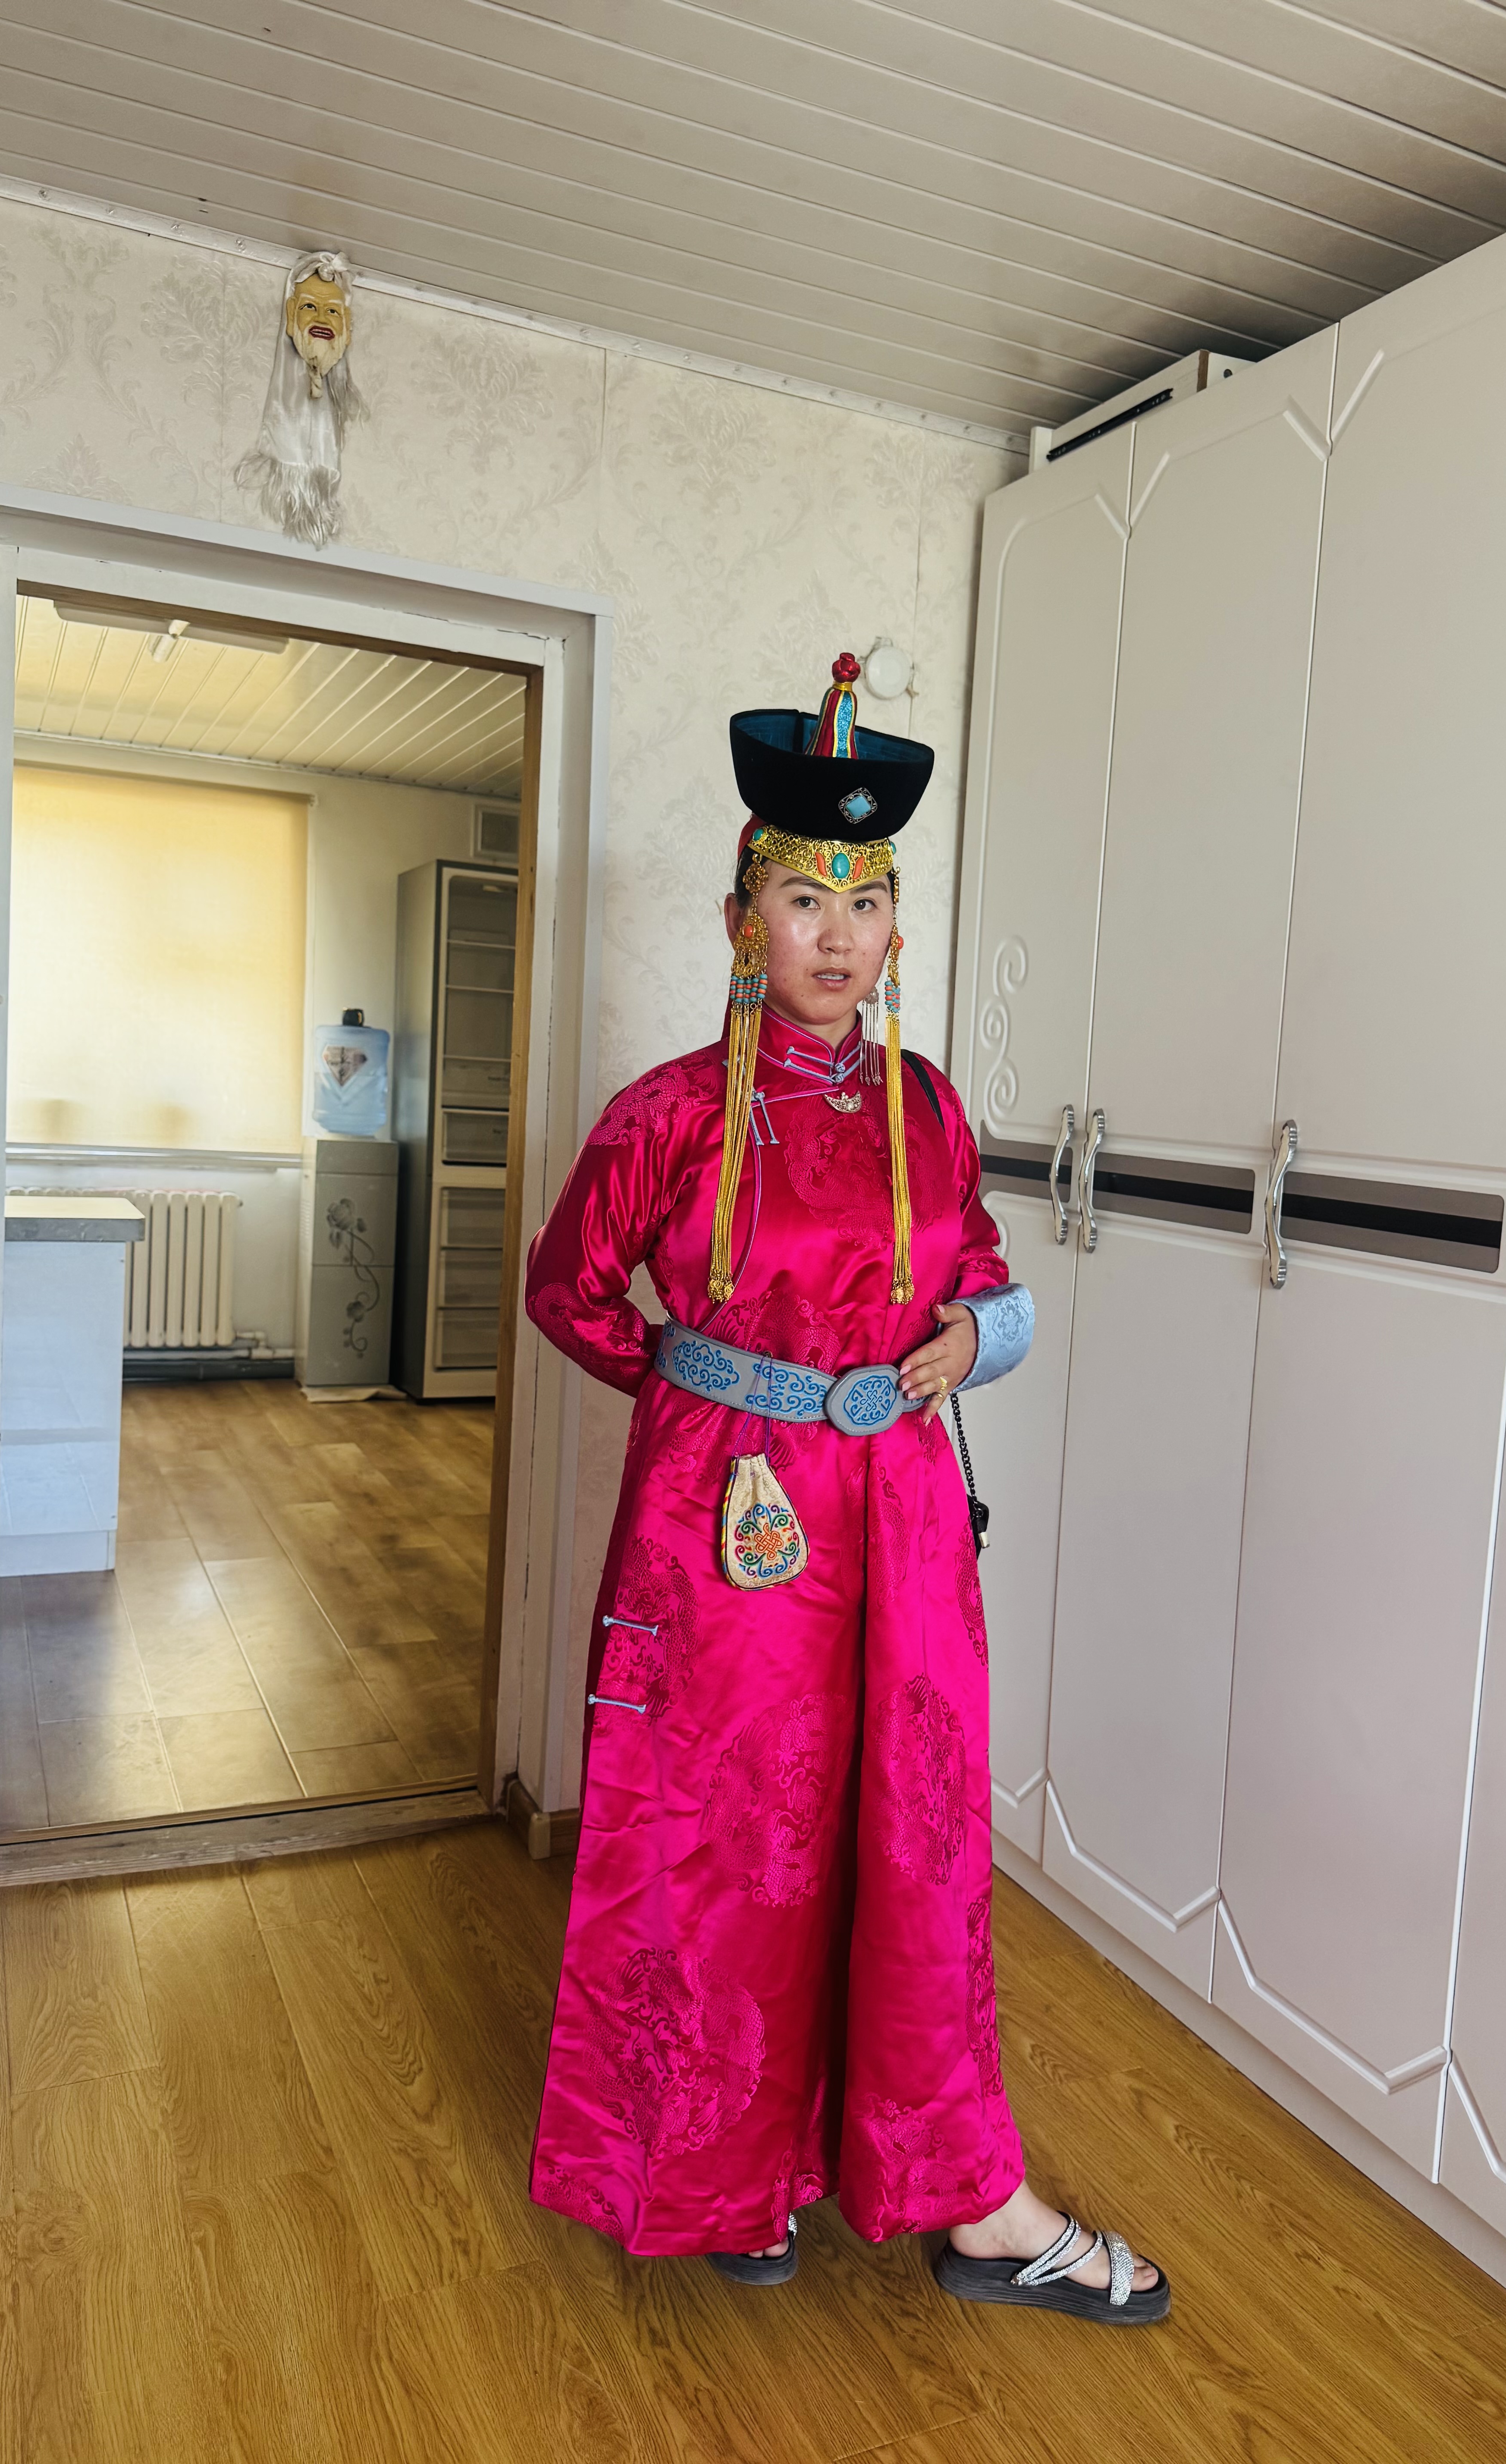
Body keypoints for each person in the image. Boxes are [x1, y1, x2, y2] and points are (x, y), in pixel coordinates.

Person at [523, 654, 1168, 2324]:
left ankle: (973, 2201)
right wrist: (709, 1403)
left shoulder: (925, 1106)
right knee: (732, 1843)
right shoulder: (669, 1113)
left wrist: (973, 1336)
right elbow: (569, 1291)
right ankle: (723, 2173)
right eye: (803, 897)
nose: (835, 935)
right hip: (732, 1537)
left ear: (893, 931)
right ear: (744, 917)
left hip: (903, 1521)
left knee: (913, 1841)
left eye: (864, 903)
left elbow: (980, 1273)